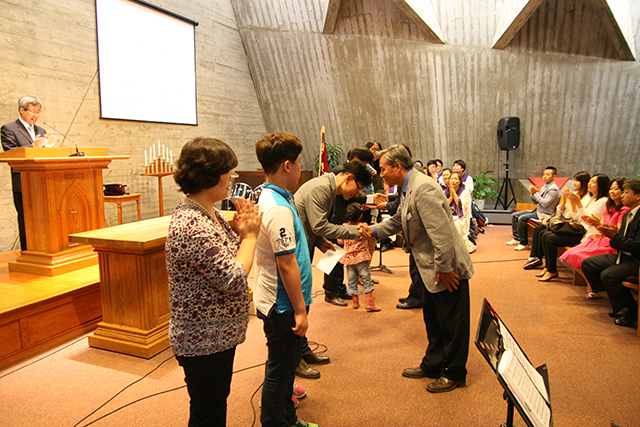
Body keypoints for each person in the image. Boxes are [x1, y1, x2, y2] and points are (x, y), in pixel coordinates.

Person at [165, 137, 262, 427]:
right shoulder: (192, 224)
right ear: (209, 175)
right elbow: (233, 277)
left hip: (215, 337)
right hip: (202, 341)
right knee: (208, 413)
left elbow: (228, 254)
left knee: (214, 405)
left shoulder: (208, 212)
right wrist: (251, 235)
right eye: (228, 172)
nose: (232, 178)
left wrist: (240, 231)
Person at [362, 145, 474, 393]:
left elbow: (441, 234)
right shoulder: (408, 186)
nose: (381, 174)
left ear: (397, 166)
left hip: (446, 269)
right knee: (433, 320)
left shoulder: (423, 188)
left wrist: (445, 269)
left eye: (383, 169)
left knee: (451, 324)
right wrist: (374, 230)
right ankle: (433, 364)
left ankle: (454, 373)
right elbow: (400, 218)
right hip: (430, 268)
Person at [253, 132, 320, 427]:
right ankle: (276, 422)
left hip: (282, 301)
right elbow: (286, 264)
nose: (301, 167)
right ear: (287, 165)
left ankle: (287, 417)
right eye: (299, 161)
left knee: (284, 365)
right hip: (283, 304)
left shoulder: (277, 196)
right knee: (281, 370)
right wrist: (301, 310)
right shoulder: (277, 207)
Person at [582, 178, 640, 327]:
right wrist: (612, 235)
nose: (622, 195)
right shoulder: (628, 214)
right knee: (589, 264)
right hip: (623, 254)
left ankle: (633, 311)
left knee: (609, 275)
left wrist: (615, 236)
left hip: (636, 260)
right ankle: (618, 300)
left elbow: (637, 246)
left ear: (638, 196)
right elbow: (620, 241)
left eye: (626, 192)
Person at [559, 178, 629, 298]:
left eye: (616, 189)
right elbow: (582, 218)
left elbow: (616, 231)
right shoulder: (609, 206)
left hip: (610, 243)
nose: (612, 191)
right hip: (600, 237)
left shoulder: (622, 209)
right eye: (611, 189)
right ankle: (592, 283)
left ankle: (593, 285)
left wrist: (597, 224)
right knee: (570, 254)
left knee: (580, 256)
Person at [535, 174, 609, 282]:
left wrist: (577, 203)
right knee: (545, 234)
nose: (590, 184)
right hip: (578, 228)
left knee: (550, 238)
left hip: (587, 233)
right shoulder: (589, 198)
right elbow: (576, 217)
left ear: (601, 185)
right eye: (590, 181)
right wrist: (572, 202)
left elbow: (587, 220)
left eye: (593, 182)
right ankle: (548, 267)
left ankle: (552, 270)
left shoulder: (603, 201)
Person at [1, 95, 49, 250]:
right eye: (32, 111)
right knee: (25, 218)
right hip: (22, 182)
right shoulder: (9, 129)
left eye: (38, 112)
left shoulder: (41, 130)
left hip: (41, 181)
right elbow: (10, 153)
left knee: (43, 218)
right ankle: (28, 251)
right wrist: (32, 148)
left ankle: (43, 248)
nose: (36, 115)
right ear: (22, 110)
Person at [524, 171, 591, 270]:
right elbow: (559, 211)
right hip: (564, 221)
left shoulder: (585, 198)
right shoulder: (573, 194)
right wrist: (565, 199)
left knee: (546, 235)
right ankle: (535, 257)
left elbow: (574, 217)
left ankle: (549, 267)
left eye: (578, 181)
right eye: (574, 180)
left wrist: (571, 201)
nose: (574, 183)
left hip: (574, 227)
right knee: (539, 229)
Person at [337, 202, 381, 311]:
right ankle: (370, 304)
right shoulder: (363, 226)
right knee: (366, 279)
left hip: (349, 259)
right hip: (362, 258)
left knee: (352, 280)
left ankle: (355, 303)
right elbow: (369, 237)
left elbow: (340, 241)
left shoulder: (343, 227)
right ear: (360, 216)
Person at [506, 167, 561, 251]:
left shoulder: (554, 189)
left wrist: (535, 194)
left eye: (548, 175)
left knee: (522, 218)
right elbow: (535, 202)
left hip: (544, 214)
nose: (545, 176)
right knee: (514, 215)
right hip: (537, 210)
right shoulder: (545, 186)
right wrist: (533, 193)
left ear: (554, 177)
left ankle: (524, 243)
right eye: (544, 174)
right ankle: (517, 238)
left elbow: (545, 204)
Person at [446, 172, 475, 253]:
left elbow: (463, 206)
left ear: (460, 181)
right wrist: (451, 196)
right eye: (452, 179)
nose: (453, 181)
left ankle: (457, 248)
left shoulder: (464, 193)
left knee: (456, 225)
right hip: (448, 216)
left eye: (456, 179)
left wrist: (454, 194)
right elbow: (444, 205)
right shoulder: (445, 191)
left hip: (460, 217)